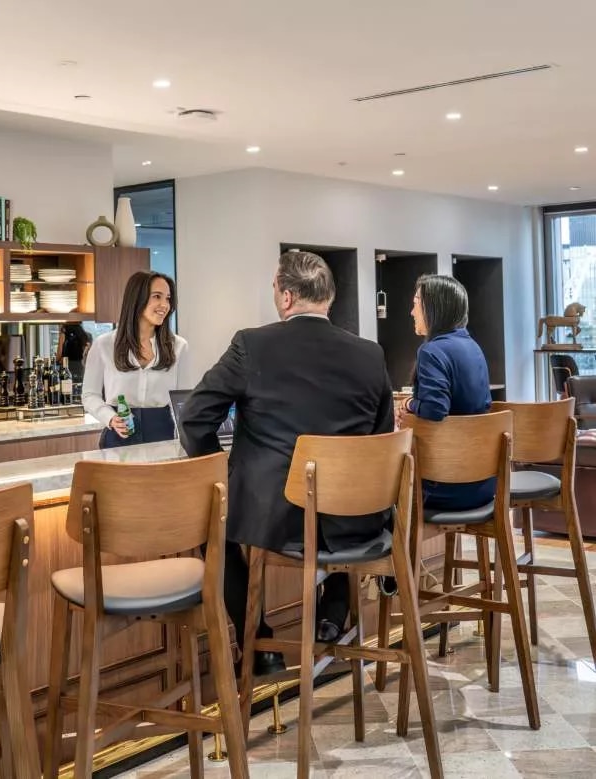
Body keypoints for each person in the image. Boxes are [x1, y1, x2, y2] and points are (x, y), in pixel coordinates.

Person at [179, 250, 394, 675]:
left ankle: (258, 642)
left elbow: (194, 416)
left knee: (211, 531)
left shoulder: (252, 344)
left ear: (287, 297)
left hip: (275, 517)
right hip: (356, 518)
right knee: (334, 529)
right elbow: (382, 440)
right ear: (328, 298)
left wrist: (218, 469)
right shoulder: (370, 354)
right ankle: (332, 614)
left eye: (275, 288)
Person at [396, 274, 494, 510]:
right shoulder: (473, 347)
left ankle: (397, 548)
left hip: (446, 485)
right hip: (482, 482)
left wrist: (409, 405)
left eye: (416, 303)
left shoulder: (432, 351)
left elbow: (435, 408)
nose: (412, 312)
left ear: (434, 307)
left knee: (378, 486)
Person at [82, 271, 186, 448]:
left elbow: (184, 400)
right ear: (137, 299)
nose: (165, 305)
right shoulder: (104, 345)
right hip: (118, 435)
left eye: (168, 298)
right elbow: (90, 395)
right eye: (157, 296)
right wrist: (110, 417)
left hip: (163, 436)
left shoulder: (179, 346)